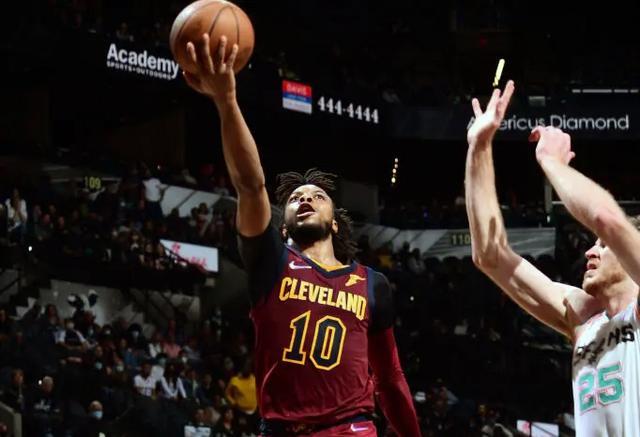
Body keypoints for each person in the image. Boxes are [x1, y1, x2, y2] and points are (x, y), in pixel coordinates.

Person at [183, 33, 420, 436]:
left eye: (317, 196)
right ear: (283, 224)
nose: (305, 199)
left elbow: (390, 377)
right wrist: (227, 101)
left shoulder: (371, 284)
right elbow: (250, 185)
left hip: (351, 428)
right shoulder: (271, 262)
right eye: (295, 198)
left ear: (334, 222)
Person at [465, 80, 640, 435]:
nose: (590, 251)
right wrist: (478, 148)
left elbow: (606, 219)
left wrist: (551, 162)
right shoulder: (582, 317)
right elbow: (490, 255)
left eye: (603, 246)